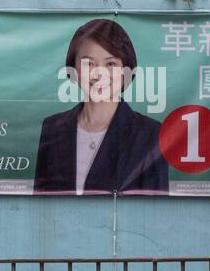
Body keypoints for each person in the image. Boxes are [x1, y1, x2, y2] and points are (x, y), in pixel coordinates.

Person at [32, 18, 170, 195]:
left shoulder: (151, 133)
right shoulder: (51, 127)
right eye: (89, 63)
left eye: (111, 64)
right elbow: (40, 204)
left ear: (125, 71)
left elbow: (155, 212)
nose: (99, 74)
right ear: (73, 68)